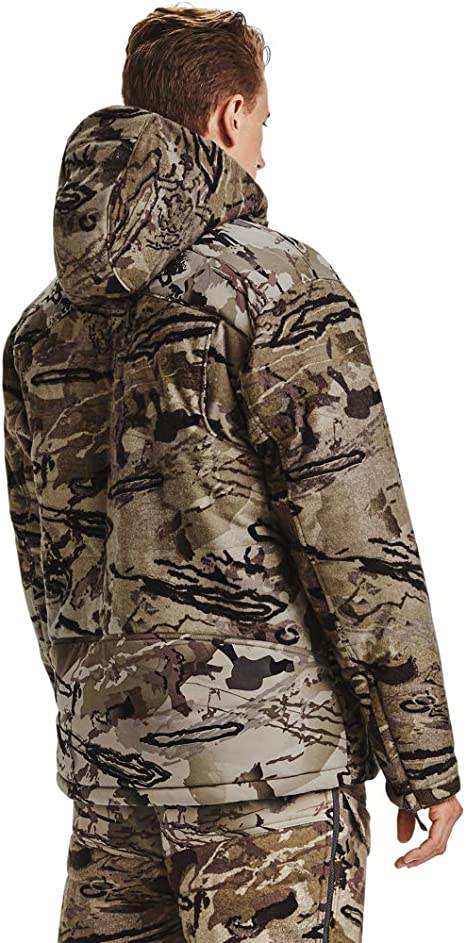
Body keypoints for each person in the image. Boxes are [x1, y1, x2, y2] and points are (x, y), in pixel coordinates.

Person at [2, 7, 462, 942]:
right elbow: (357, 539)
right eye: (262, 125)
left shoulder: (41, 328)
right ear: (228, 115)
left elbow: (44, 554)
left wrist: (99, 716)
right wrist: (424, 758)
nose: (264, 154)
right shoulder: (277, 286)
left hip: (110, 770)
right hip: (269, 781)